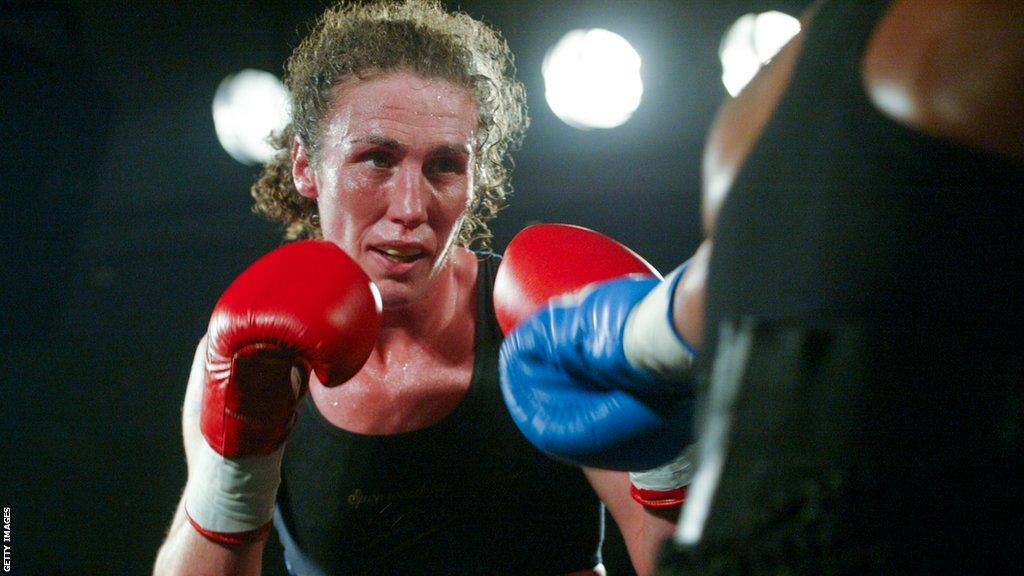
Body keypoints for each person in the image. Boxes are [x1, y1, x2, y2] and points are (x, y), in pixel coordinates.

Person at [498, 0, 1024, 574]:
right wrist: (631, 339)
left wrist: (636, 338)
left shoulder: (782, 88)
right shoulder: (820, 71)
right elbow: (777, 265)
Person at [153, 1, 676, 575]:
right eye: (376, 159)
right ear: (306, 166)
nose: (410, 208)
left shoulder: (552, 322)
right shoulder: (255, 359)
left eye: (445, 166)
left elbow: (698, 561)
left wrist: (673, 457)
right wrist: (236, 473)